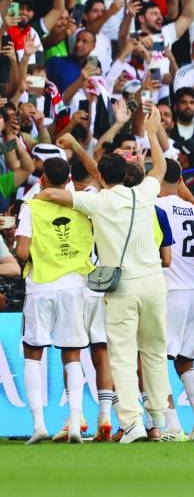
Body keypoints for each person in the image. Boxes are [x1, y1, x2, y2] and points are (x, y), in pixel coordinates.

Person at [37, 108, 169, 444]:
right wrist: (152, 133)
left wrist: (44, 193)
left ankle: (132, 424)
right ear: (127, 175)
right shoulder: (143, 192)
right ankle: (159, 421)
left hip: (121, 286)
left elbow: (55, 194)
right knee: (154, 351)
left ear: (104, 177)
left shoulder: (96, 202)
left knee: (123, 355)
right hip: (154, 282)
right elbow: (162, 167)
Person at [14, 157, 94, 444]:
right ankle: (75, 420)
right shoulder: (82, 203)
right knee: (72, 354)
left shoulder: (31, 206)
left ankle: (38, 424)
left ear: (43, 180)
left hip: (41, 285)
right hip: (74, 284)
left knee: (33, 352)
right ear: (69, 178)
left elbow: (22, 252)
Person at [154, 159, 194, 442]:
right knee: (185, 362)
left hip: (171, 291)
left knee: (159, 360)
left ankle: (173, 426)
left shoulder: (157, 206)